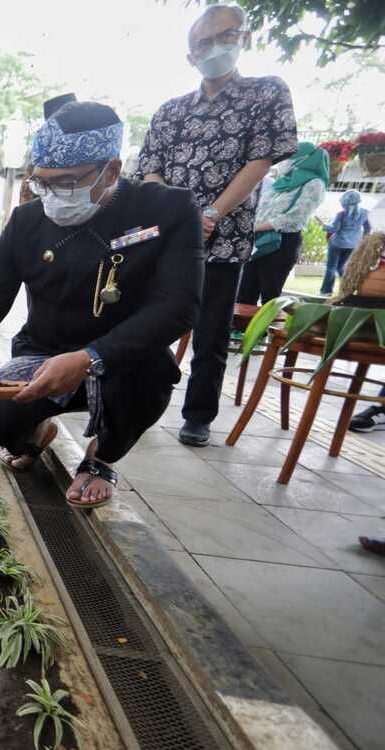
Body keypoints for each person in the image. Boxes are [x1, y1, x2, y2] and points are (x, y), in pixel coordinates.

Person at [0, 101, 203, 509]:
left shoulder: (168, 209)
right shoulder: (27, 223)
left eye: (66, 182)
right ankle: (36, 432)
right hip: (45, 354)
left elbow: (178, 307)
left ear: (111, 171)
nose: (51, 196)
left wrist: (89, 358)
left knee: (150, 379)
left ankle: (101, 456)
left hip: (125, 359)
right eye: (42, 182)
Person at [138, 3, 297, 447]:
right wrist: (175, 215)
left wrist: (210, 214)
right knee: (148, 323)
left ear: (244, 38)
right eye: (204, 43)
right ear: (190, 56)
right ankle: (139, 399)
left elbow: (261, 160)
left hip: (223, 239)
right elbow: (151, 169)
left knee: (210, 333)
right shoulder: (171, 111)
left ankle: (198, 415)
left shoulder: (266, 93)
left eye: (227, 36)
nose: (215, 48)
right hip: (168, 238)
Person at [237, 143, 329, 304]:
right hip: (258, 239)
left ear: (307, 158)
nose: (285, 161)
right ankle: (240, 321)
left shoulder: (314, 184)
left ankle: (266, 322)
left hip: (281, 242)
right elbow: (262, 209)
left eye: (290, 156)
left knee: (270, 294)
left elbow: (294, 218)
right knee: (245, 291)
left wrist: (256, 227)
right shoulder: (282, 181)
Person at [322, 190, 373, 295]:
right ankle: (347, 289)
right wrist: (361, 241)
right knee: (342, 267)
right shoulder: (366, 213)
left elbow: (334, 229)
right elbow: (367, 229)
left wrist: (324, 226)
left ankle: (326, 292)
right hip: (352, 245)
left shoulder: (341, 214)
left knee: (331, 267)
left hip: (337, 243)